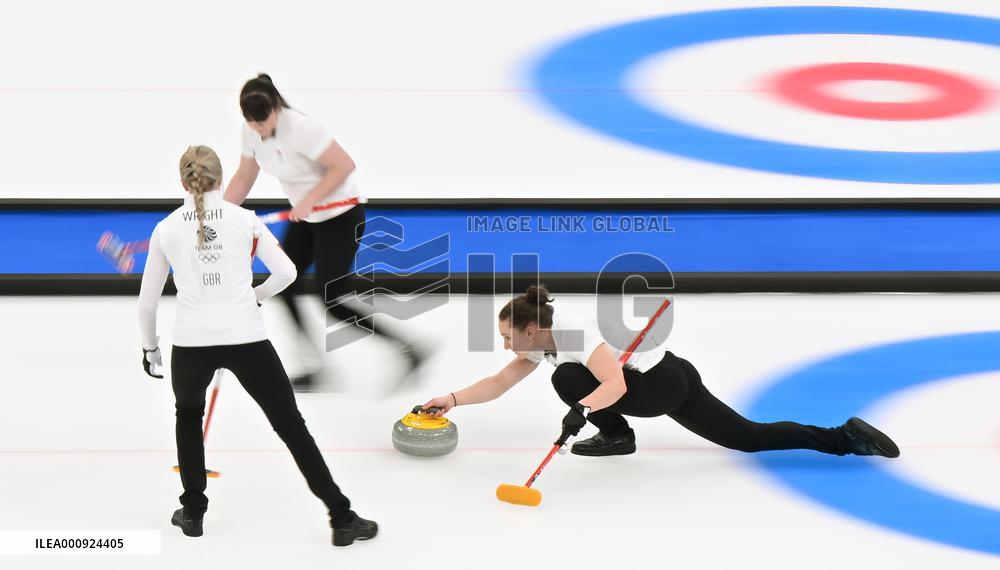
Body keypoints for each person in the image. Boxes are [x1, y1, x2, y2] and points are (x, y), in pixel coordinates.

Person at [137, 145, 378, 547]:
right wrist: (257, 295)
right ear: (220, 180)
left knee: (187, 418)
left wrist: (150, 349)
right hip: (247, 340)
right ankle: (341, 517)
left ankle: (193, 512)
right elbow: (287, 272)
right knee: (291, 428)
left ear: (183, 182)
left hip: (191, 344)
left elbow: (146, 305)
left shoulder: (166, 229)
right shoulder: (244, 220)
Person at [423, 285, 900, 460]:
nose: (506, 345)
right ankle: (844, 438)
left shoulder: (573, 336)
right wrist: (452, 398)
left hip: (658, 386)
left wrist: (580, 412)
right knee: (748, 438)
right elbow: (500, 382)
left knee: (566, 381)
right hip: (670, 378)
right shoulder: (540, 343)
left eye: (509, 336)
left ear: (530, 329)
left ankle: (616, 436)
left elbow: (616, 384)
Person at [223, 73, 424, 390]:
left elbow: (344, 165)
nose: (259, 129)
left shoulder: (302, 128)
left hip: (341, 218)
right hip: (306, 220)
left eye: (264, 121)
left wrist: (310, 200)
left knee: (331, 299)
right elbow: (245, 177)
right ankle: (316, 368)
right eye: (252, 123)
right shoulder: (250, 132)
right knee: (284, 282)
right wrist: (221, 213)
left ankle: (409, 349)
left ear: (276, 107)